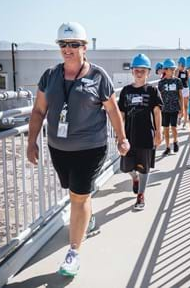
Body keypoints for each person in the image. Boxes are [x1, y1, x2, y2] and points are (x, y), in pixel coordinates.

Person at [28, 22, 130, 277]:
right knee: (74, 190)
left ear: (85, 48)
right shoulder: (50, 76)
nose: (68, 49)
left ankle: (74, 253)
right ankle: (88, 218)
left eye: (74, 44)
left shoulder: (98, 76)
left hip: (90, 147)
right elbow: (39, 110)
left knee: (78, 196)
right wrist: (31, 142)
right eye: (63, 44)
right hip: (58, 147)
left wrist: (121, 137)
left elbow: (112, 110)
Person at [118, 54, 163, 210]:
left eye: (142, 71)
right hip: (129, 136)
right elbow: (121, 114)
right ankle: (134, 178)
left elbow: (157, 113)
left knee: (144, 168)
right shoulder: (125, 91)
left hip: (146, 136)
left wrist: (159, 132)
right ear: (132, 71)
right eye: (136, 70)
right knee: (125, 168)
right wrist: (120, 135)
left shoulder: (152, 90)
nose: (139, 73)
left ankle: (141, 195)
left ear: (148, 73)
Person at [158, 58, 183, 156]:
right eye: (170, 69)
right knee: (166, 129)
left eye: (174, 69)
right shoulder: (161, 83)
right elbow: (159, 97)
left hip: (175, 108)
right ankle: (167, 147)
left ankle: (176, 141)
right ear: (165, 70)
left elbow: (180, 96)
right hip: (164, 109)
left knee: (174, 127)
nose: (172, 71)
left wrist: (182, 109)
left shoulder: (178, 81)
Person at [176, 56, 190, 128]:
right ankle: (179, 117)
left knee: (186, 106)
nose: (182, 66)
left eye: (183, 65)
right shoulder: (177, 71)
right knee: (180, 105)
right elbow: (175, 78)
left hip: (186, 89)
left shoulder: (186, 71)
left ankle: (184, 121)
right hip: (179, 90)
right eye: (181, 65)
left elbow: (188, 81)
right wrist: (178, 70)